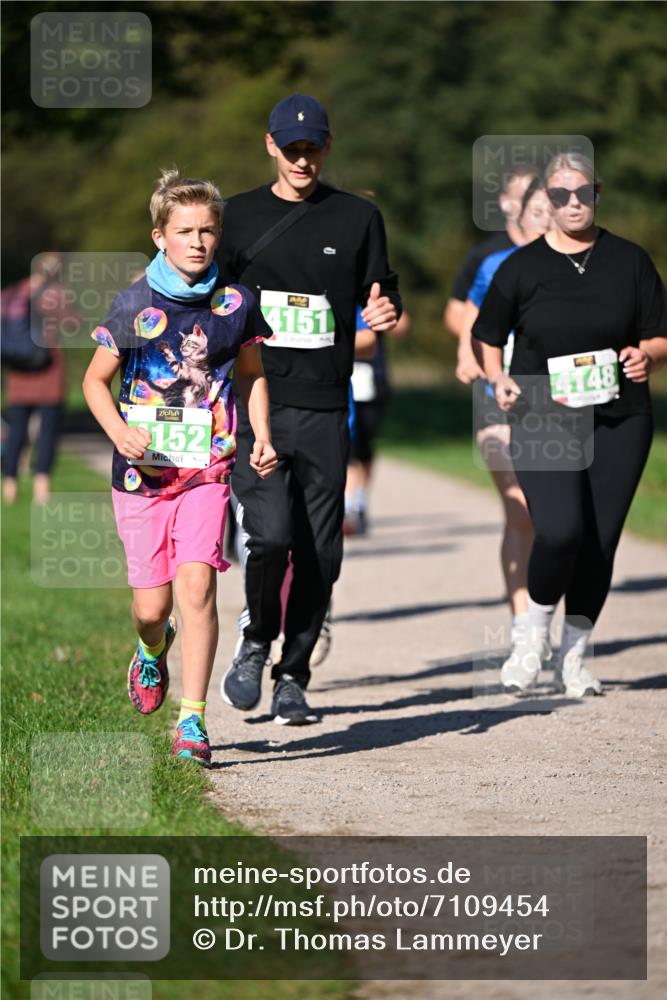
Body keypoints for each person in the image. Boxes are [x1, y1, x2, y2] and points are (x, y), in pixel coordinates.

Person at [217, 93, 401, 725]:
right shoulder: (234, 217)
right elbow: (205, 300)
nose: (302, 159)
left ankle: (294, 675)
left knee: (322, 554)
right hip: (257, 405)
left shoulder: (357, 218)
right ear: (270, 145)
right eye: (290, 148)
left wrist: (386, 311)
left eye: (312, 147)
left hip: (327, 407)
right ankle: (254, 641)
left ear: (327, 147)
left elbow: (384, 293)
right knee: (267, 538)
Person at [82, 170, 277, 766]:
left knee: (198, 586)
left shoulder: (237, 302)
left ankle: (192, 722)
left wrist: (262, 433)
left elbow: (252, 374)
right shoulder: (134, 301)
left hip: (205, 470)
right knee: (152, 608)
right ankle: (151, 648)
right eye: (185, 230)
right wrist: (120, 430)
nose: (197, 241)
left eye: (208, 231)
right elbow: (94, 381)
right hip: (142, 475)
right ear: (160, 235)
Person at [472, 152, 667, 698]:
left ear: (597, 193)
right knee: (559, 531)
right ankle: (531, 636)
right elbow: (486, 335)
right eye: (560, 196)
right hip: (542, 413)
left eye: (582, 193)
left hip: (619, 417)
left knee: (600, 543)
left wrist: (647, 355)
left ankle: (576, 656)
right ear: (546, 202)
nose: (572, 203)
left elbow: (660, 333)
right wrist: (497, 378)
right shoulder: (522, 267)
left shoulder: (629, 261)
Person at [457, 178, 553, 681]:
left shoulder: (577, 264)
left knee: (557, 519)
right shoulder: (494, 263)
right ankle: (524, 629)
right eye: (537, 207)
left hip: (559, 406)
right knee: (520, 508)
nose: (544, 215)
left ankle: (552, 618)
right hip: (498, 401)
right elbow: (472, 317)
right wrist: (465, 356)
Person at [2, 253, 72, 505]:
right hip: (48, 373)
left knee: (16, 431)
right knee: (48, 432)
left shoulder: (12, 292)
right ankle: (42, 489)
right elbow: (73, 324)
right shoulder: (55, 294)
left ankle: (9, 487)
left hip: (19, 374)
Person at [443, 164, 539, 340]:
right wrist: (493, 344)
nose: (529, 205)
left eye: (534, 197)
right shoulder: (485, 255)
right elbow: (454, 315)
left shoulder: (557, 250)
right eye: (522, 198)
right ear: (504, 202)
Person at [345, 305, 410, 537]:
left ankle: (360, 500)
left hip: (373, 375)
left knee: (365, 444)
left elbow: (402, 327)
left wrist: (381, 315)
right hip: (338, 374)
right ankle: (348, 505)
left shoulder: (376, 289)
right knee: (347, 444)